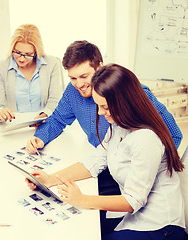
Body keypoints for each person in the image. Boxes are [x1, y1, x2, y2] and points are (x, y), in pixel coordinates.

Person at [27, 64, 186, 240]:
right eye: (99, 107)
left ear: (125, 102)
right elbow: (95, 161)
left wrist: (82, 199)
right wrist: (51, 179)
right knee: (80, 227)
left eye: (105, 107)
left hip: (161, 227)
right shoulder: (118, 125)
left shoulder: (146, 139)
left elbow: (133, 200)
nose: (101, 113)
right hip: (134, 217)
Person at [26, 40, 183, 196]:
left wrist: (143, 167)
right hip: (101, 162)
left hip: (130, 174)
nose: (78, 84)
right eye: (73, 78)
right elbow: (58, 119)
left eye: (83, 76)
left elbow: (174, 135)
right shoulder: (73, 91)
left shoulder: (132, 94)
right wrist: (40, 137)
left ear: (99, 67)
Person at [0, 24, 63, 122]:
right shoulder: (1, 67)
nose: (21, 58)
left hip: (44, 124)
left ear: (36, 51)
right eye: (17, 52)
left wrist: (44, 115)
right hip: (15, 126)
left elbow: (55, 100)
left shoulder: (52, 64)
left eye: (28, 54)